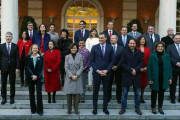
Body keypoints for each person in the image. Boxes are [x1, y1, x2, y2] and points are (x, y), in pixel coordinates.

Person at [90, 32, 114, 115]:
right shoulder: (94, 47)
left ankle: (105, 108)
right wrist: (97, 70)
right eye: (99, 38)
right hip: (97, 73)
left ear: (106, 38)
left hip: (107, 74)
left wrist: (107, 70)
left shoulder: (110, 47)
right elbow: (92, 61)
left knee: (106, 91)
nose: (100, 39)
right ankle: (95, 108)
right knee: (95, 91)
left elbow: (112, 61)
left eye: (102, 38)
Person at [119, 39, 143, 115]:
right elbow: (122, 63)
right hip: (127, 75)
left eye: (133, 43)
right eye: (131, 43)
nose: (132, 45)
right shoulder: (124, 52)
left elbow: (141, 62)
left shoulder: (139, 52)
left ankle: (137, 108)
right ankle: (123, 108)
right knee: (125, 93)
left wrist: (135, 69)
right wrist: (130, 70)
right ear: (128, 44)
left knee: (137, 93)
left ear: (136, 44)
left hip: (136, 74)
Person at [148, 41, 172, 114]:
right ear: (156, 47)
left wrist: (170, 78)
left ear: (163, 48)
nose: (160, 48)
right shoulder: (152, 56)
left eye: (161, 46)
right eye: (159, 46)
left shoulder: (166, 56)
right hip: (155, 78)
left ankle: (160, 107)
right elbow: (149, 68)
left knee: (161, 93)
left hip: (164, 77)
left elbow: (169, 67)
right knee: (154, 93)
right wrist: (150, 79)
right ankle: (153, 107)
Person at [63, 43, 83, 115]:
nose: (73, 49)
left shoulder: (80, 56)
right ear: (70, 49)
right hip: (69, 78)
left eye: (75, 48)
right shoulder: (67, 57)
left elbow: (81, 67)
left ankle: (76, 109)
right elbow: (66, 68)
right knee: (69, 95)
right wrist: (71, 76)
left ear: (77, 49)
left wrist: (76, 75)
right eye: (72, 48)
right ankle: (69, 110)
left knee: (77, 95)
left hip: (78, 77)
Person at [0, 32, 20, 105]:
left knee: (12, 83)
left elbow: (17, 57)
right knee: (3, 84)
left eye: (9, 36)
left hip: (12, 67)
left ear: (12, 38)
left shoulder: (15, 46)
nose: (8, 38)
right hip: (3, 67)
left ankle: (12, 98)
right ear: (5, 37)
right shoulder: (1, 46)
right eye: (7, 36)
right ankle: (4, 98)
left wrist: (17, 67)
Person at [25, 44, 44, 116]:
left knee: (39, 93)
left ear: (38, 49)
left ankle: (40, 110)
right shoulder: (28, 57)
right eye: (34, 48)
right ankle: (33, 109)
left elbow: (42, 67)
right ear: (31, 49)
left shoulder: (41, 57)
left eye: (36, 48)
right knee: (31, 93)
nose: (35, 50)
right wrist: (32, 75)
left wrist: (37, 75)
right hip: (30, 78)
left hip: (38, 78)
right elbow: (26, 67)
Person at [109, 35, 123, 104]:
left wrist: (117, 66)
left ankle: (119, 98)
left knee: (119, 84)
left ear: (116, 39)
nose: (111, 39)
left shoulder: (121, 48)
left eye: (113, 38)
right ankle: (108, 98)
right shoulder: (107, 47)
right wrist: (111, 66)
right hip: (109, 69)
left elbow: (122, 59)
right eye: (111, 38)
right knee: (108, 84)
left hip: (119, 69)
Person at [136, 36, 151, 103]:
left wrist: (146, 67)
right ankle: (137, 97)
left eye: (144, 40)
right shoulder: (136, 48)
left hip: (145, 69)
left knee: (144, 84)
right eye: (141, 39)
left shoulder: (147, 49)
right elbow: (134, 60)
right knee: (137, 84)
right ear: (139, 40)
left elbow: (149, 59)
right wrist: (139, 68)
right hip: (137, 69)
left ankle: (141, 97)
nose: (142, 41)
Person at [166, 35, 180, 104]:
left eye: (179, 38)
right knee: (173, 85)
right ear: (173, 39)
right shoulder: (169, 47)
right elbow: (168, 56)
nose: (178, 39)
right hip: (173, 68)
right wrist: (177, 63)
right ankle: (172, 98)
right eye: (176, 38)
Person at [78, 39, 90, 103]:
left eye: (83, 43)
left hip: (84, 70)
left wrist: (85, 67)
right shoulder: (76, 50)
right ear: (78, 43)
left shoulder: (87, 51)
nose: (81, 44)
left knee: (83, 84)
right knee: (77, 84)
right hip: (76, 70)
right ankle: (78, 97)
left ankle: (83, 97)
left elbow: (89, 60)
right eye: (80, 43)